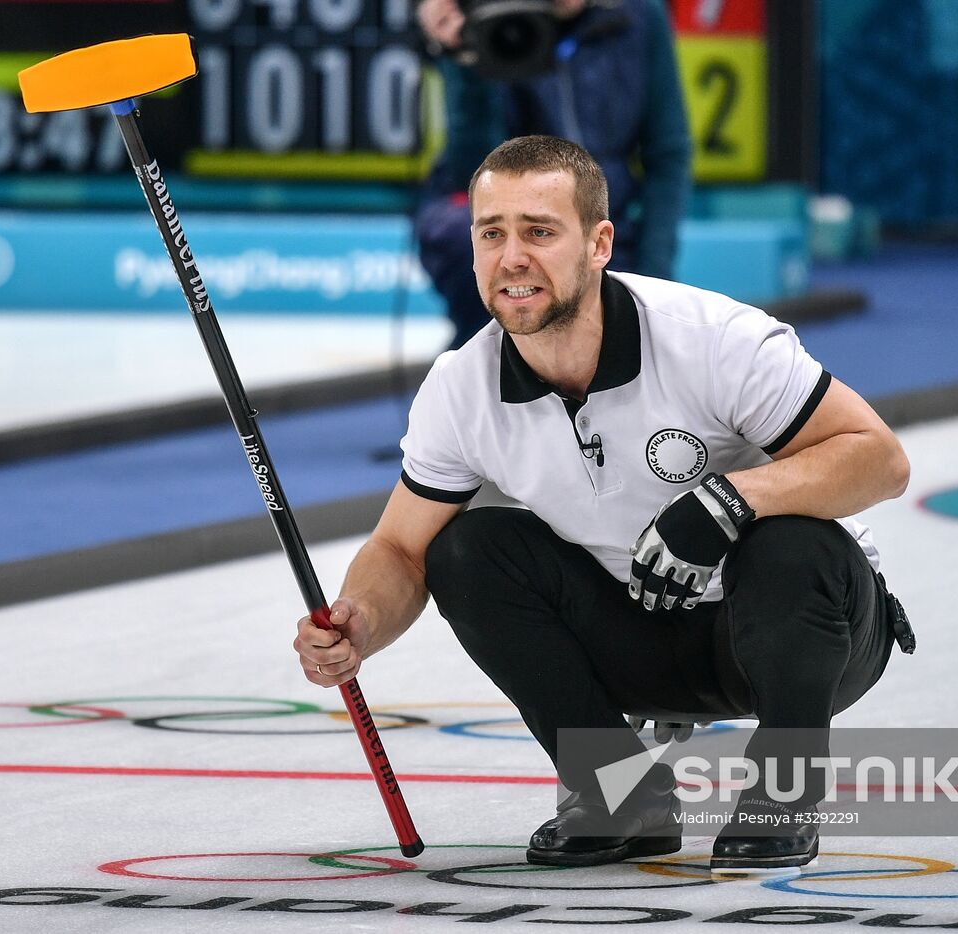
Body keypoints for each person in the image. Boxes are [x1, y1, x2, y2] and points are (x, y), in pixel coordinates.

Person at [294, 136, 912, 871]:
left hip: (810, 637)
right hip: (640, 634)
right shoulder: (461, 387)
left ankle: (785, 789)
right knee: (466, 548)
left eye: (539, 231)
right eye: (491, 233)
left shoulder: (712, 340)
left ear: (599, 244)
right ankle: (619, 792)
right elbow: (399, 549)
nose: (511, 257)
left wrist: (728, 501)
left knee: (793, 542)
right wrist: (359, 619)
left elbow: (881, 458)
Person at [414, 0, 691, 350]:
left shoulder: (639, 14)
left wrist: (654, 279)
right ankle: (484, 365)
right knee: (465, 234)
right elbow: (474, 167)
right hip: (513, 213)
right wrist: (464, 60)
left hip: (609, 220)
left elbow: (667, 153)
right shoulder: (488, 14)